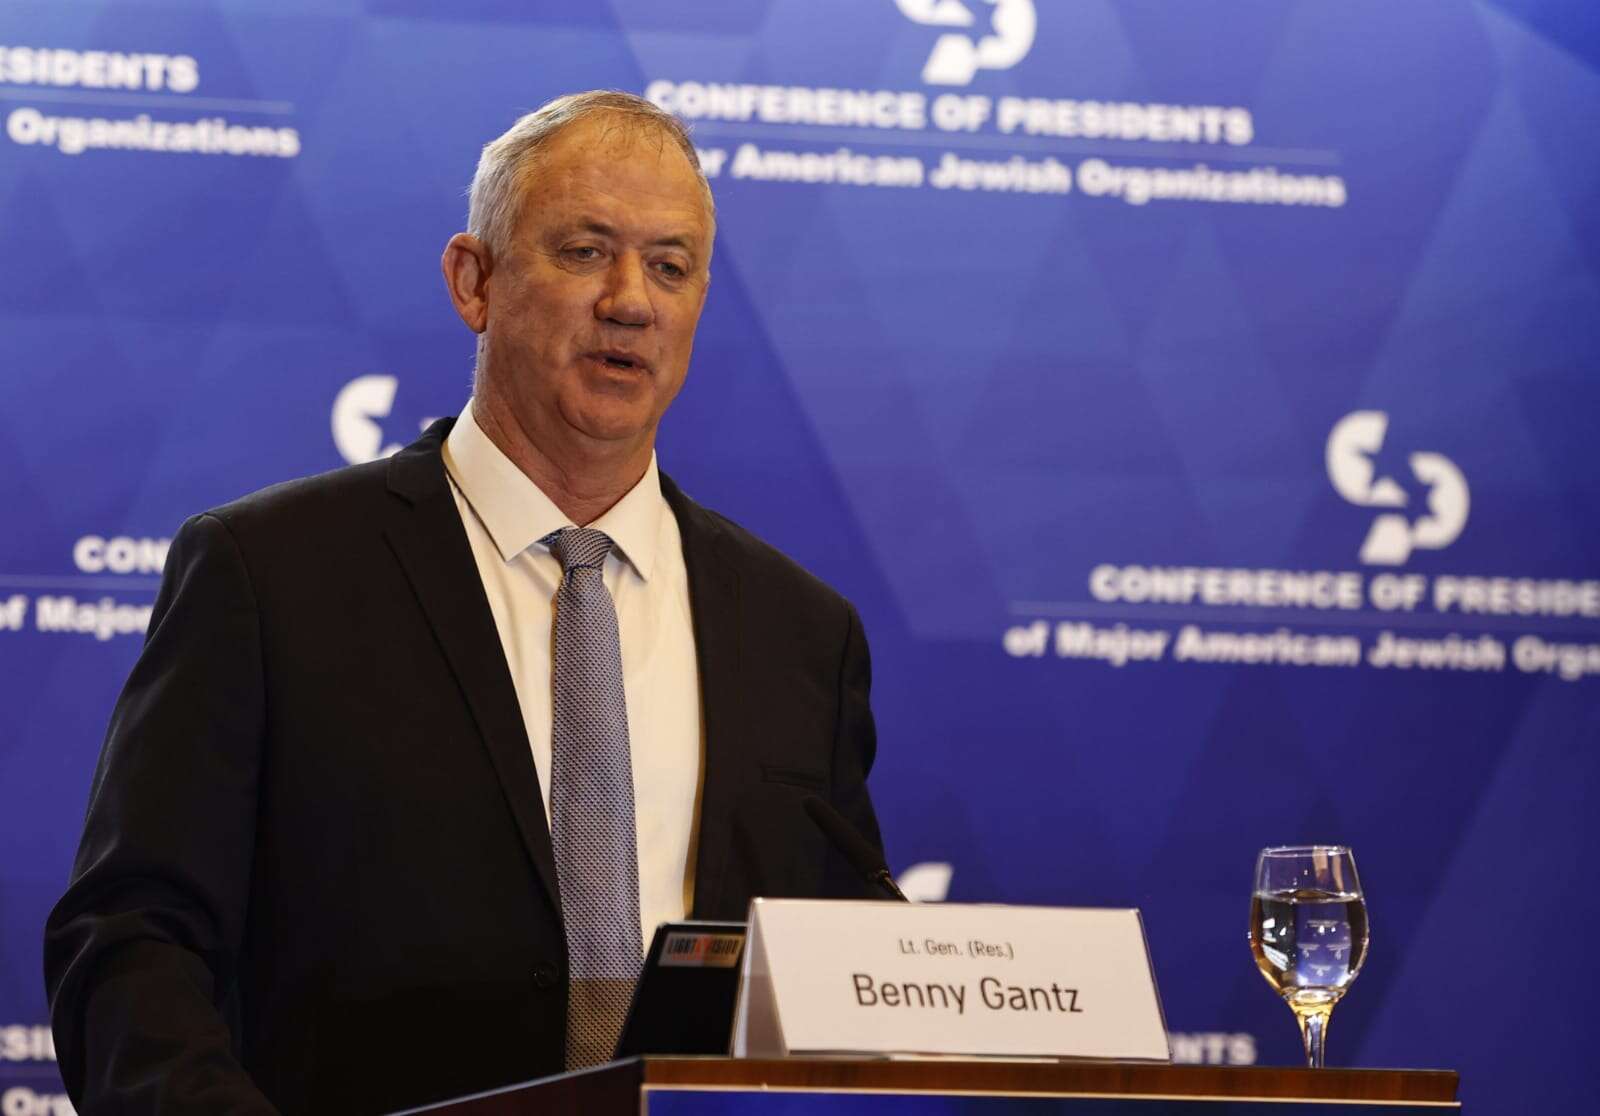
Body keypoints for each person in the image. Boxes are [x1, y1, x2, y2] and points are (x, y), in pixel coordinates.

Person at [44, 90, 885, 1115]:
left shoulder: (800, 632)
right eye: (585, 251)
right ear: (473, 281)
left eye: (671, 266)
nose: (631, 301)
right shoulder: (268, 575)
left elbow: (847, 971)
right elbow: (132, 942)